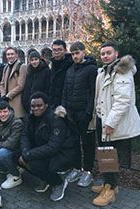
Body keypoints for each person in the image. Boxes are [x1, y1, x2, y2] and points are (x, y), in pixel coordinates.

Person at [91, 41, 140, 206]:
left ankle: (110, 190)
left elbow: (123, 101)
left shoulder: (122, 72)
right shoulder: (103, 72)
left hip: (113, 123)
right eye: (102, 53)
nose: (105, 56)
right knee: (105, 155)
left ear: (116, 54)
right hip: (103, 120)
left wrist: (110, 123)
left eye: (108, 53)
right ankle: (108, 185)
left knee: (110, 157)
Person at [15, 92, 79, 201]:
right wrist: (25, 151)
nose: (36, 108)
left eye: (39, 105)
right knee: (15, 155)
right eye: (33, 106)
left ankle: (58, 183)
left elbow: (53, 147)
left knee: (34, 163)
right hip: (41, 149)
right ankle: (45, 178)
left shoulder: (56, 119)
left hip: (60, 154)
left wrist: (29, 154)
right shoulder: (30, 118)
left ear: (46, 105)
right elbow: (24, 136)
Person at [57, 41, 98, 187]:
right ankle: (76, 167)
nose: (75, 56)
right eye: (73, 53)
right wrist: (64, 108)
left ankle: (87, 171)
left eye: (77, 53)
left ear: (83, 52)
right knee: (73, 142)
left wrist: (88, 112)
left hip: (84, 113)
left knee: (87, 143)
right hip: (71, 112)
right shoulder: (70, 70)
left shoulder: (91, 69)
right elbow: (65, 91)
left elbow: (94, 92)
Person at [0, 47, 27, 118]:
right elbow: (2, 83)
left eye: (12, 54)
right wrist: (3, 95)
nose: (10, 56)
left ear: (16, 55)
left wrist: (8, 95)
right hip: (6, 101)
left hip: (17, 101)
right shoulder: (6, 67)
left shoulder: (22, 66)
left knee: (17, 121)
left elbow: (21, 85)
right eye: (8, 54)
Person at [49, 40, 73, 108]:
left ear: (65, 50)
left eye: (59, 50)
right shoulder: (53, 65)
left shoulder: (71, 64)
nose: (56, 52)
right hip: (53, 105)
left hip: (66, 106)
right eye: (54, 50)